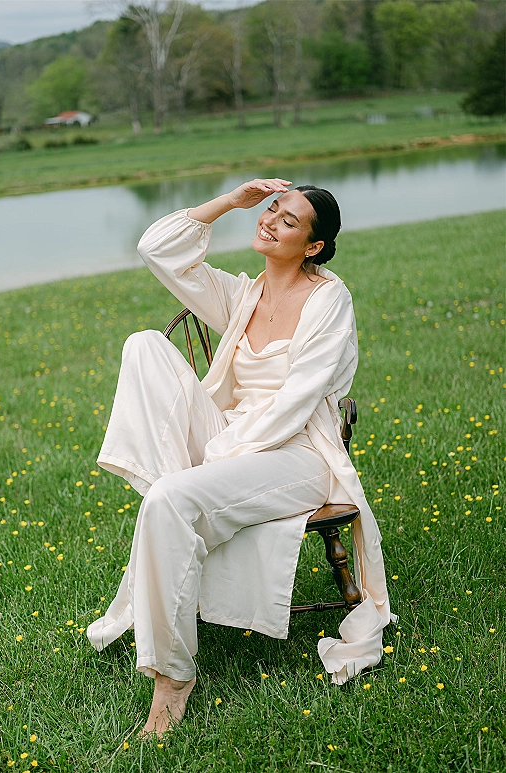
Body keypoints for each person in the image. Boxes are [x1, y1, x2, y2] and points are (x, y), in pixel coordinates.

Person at [86, 179, 394, 738]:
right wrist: (228, 201)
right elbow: (157, 247)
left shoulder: (329, 301)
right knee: (143, 345)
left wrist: (214, 459)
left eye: (290, 221)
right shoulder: (240, 296)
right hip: (229, 444)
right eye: (273, 209)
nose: (272, 220)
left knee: (169, 500)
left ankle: (171, 678)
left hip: (297, 455)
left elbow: (297, 402)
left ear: (313, 247)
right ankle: (178, 501)